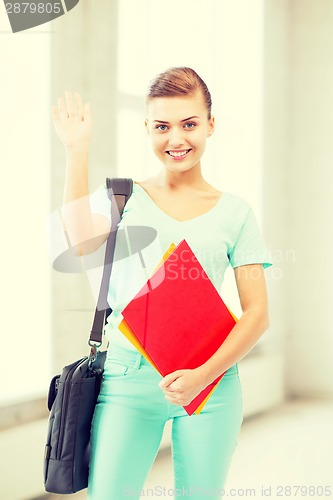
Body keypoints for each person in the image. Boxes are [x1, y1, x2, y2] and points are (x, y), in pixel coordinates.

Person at [51, 66, 272, 499]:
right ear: (148, 129)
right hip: (126, 379)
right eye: (162, 126)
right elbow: (78, 245)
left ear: (211, 124)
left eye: (189, 124)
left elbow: (258, 314)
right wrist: (76, 152)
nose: (176, 139)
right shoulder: (122, 197)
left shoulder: (236, 213)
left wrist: (203, 376)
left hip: (212, 384)